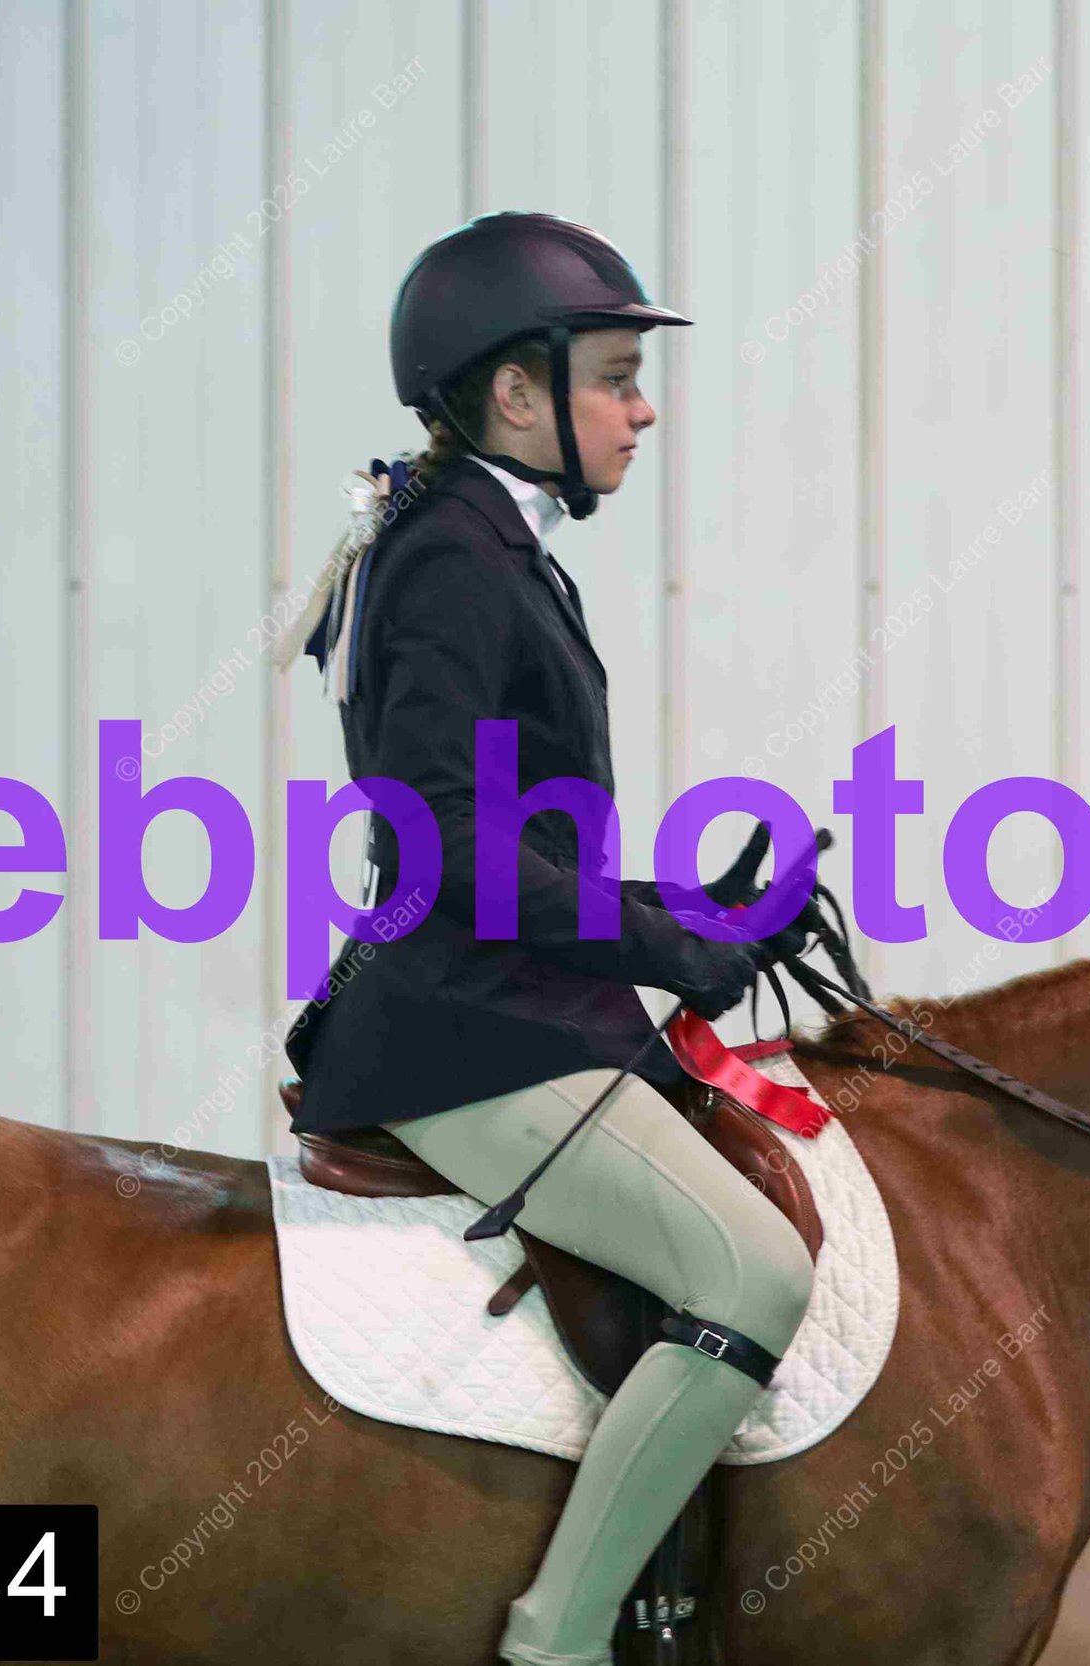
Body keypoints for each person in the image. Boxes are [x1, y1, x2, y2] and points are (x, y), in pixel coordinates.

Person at [279, 211, 817, 1666]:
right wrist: (661, 948)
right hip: (468, 1033)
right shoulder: (455, 558)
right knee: (755, 1276)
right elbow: (446, 844)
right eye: (618, 378)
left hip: (516, 1006)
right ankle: (558, 1645)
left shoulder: (493, 545)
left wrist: (680, 911)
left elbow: (521, 831)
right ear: (519, 394)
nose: (644, 411)